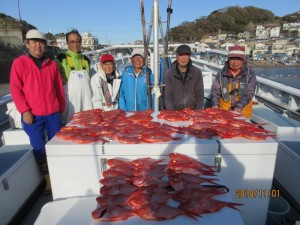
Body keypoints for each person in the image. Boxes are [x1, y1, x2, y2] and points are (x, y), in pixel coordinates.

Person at [10, 29, 66, 192]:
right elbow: (15, 89)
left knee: (57, 144)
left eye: (41, 42)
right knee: (38, 146)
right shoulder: (19, 63)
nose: (38, 46)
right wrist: (24, 110)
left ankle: (60, 174)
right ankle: (47, 179)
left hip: (53, 112)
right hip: (32, 114)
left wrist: (61, 108)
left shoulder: (52, 64)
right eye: (34, 42)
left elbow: (58, 89)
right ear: (27, 44)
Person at [55, 29, 93, 123]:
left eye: (77, 41)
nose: (75, 44)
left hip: (86, 102)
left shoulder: (86, 59)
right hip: (70, 103)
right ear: (67, 43)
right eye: (72, 42)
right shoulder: (61, 58)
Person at [211, 44, 256, 118]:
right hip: (223, 112)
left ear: (243, 60)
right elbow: (215, 91)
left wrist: (239, 107)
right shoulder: (221, 74)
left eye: (238, 59)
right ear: (228, 60)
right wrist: (215, 104)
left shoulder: (250, 75)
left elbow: (249, 93)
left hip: (242, 112)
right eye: (232, 59)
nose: (235, 62)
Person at [164, 44, 204, 110]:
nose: (183, 58)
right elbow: (168, 97)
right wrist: (171, 114)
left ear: (190, 56)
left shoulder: (197, 72)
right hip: (175, 111)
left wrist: (198, 112)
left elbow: (200, 95)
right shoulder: (169, 73)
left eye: (186, 55)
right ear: (176, 56)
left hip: (192, 111)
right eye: (181, 55)